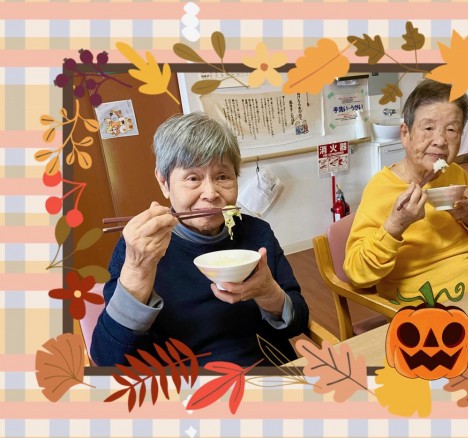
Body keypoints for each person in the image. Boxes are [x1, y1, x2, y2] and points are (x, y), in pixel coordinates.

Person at [91, 112, 309, 366]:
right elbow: (108, 360)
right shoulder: (140, 249)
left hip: (272, 370)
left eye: (223, 177)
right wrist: (138, 272)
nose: (211, 193)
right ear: (164, 182)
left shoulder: (257, 233)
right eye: (193, 178)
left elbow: (298, 322)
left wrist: (268, 292)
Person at [344, 79, 468, 300]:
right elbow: (357, 274)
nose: (440, 140)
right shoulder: (380, 188)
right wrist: (395, 226)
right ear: (405, 134)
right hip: (426, 305)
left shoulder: (456, 174)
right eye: (429, 128)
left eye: (451, 130)